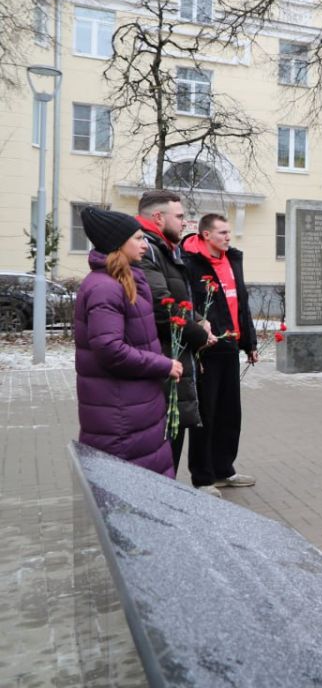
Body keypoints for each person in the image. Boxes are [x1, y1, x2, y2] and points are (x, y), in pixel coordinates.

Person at [74, 208, 182, 476]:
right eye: (137, 238)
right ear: (117, 244)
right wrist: (163, 365)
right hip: (120, 414)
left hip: (133, 408)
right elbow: (110, 350)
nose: (144, 244)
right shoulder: (105, 287)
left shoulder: (124, 280)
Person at [136, 190, 217, 474]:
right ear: (158, 217)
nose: (185, 222)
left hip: (174, 359)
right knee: (161, 453)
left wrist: (197, 318)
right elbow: (162, 305)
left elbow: (176, 298)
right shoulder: (146, 250)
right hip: (161, 362)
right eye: (180, 216)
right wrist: (199, 333)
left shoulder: (165, 247)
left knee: (171, 447)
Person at [183, 214, 258, 492]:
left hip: (230, 348)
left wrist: (249, 342)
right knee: (206, 414)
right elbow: (187, 304)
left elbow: (241, 304)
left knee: (229, 414)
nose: (228, 237)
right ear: (205, 235)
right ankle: (202, 477)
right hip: (207, 349)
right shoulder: (191, 262)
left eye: (229, 232)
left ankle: (224, 469)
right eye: (222, 232)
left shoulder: (232, 260)